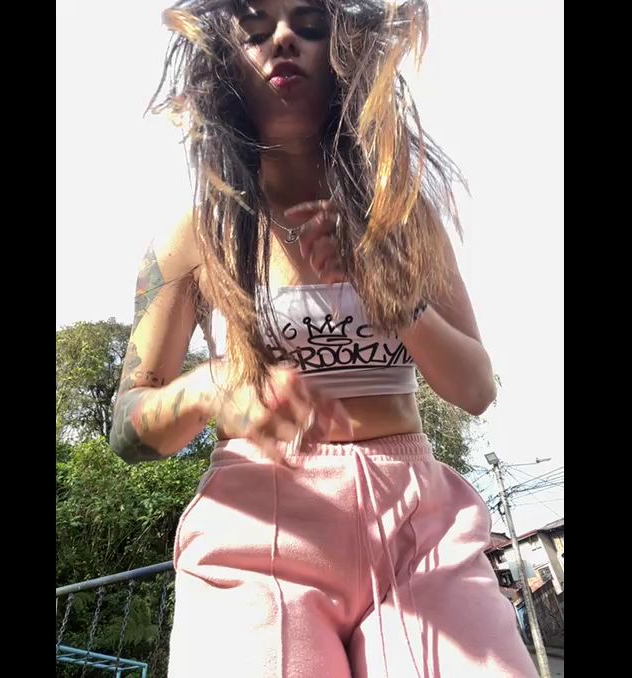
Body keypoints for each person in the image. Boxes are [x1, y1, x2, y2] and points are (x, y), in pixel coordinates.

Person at [109, 1, 536, 675]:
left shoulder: (405, 219)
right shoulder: (192, 236)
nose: (282, 38)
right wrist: (213, 387)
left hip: (418, 529)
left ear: (344, 55)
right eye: (256, 28)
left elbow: (476, 388)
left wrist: (390, 292)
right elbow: (127, 427)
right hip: (260, 534)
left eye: (309, 24)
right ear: (224, 64)